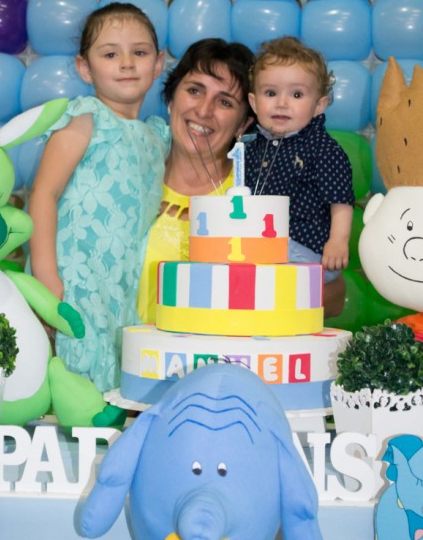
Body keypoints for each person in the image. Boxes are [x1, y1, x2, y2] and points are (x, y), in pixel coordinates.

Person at [29, 2, 170, 393]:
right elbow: (44, 193)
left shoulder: (156, 136)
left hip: (123, 279)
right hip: (76, 274)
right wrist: (46, 275)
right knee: (75, 366)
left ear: (158, 63)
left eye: (139, 52)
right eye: (110, 54)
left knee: (115, 369)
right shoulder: (86, 118)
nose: (126, 63)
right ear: (85, 68)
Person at [137, 38, 255, 325]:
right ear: (171, 99)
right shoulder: (127, 176)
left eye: (225, 102)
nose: (204, 110)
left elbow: (330, 294)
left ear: (243, 124)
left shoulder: (253, 199)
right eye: (194, 91)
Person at [244, 36, 354, 310]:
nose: (282, 103)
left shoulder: (321, 148)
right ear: (254, 103)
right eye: (271, 93)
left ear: (318, 105)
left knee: (269, 290)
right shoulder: (252, 146)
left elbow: (340, 199)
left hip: (306, 247)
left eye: (296, 95)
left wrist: (338, 241)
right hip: (264, 243)